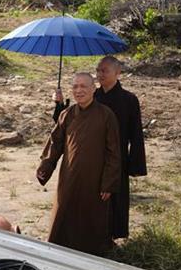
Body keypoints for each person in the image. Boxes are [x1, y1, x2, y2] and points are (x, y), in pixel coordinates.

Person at [52, 56, 147, 239]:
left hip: (115, 156)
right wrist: (59, 104)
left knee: (113, 198)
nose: (100, 74)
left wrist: (135, 164)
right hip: (89, 157)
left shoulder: (128, 99)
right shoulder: (93, 96)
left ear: (117, 73)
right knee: (89, 198)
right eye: (98, 70)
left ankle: (110, 236)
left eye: (105, 71)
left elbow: (135, 134)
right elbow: (68, 125)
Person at [37, 72, 121, 255]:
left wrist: (109, 182)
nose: (79, 90)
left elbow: (114, 152)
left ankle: (94, 252)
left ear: (93, 88)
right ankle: (59, 250)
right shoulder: (67, 114)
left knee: (92, 214)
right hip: (70, 174)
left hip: (95, 177)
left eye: (84, 86)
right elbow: (55, 142)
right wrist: (46, 165)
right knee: (64, 210)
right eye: (75, 87)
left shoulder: (106, 115)